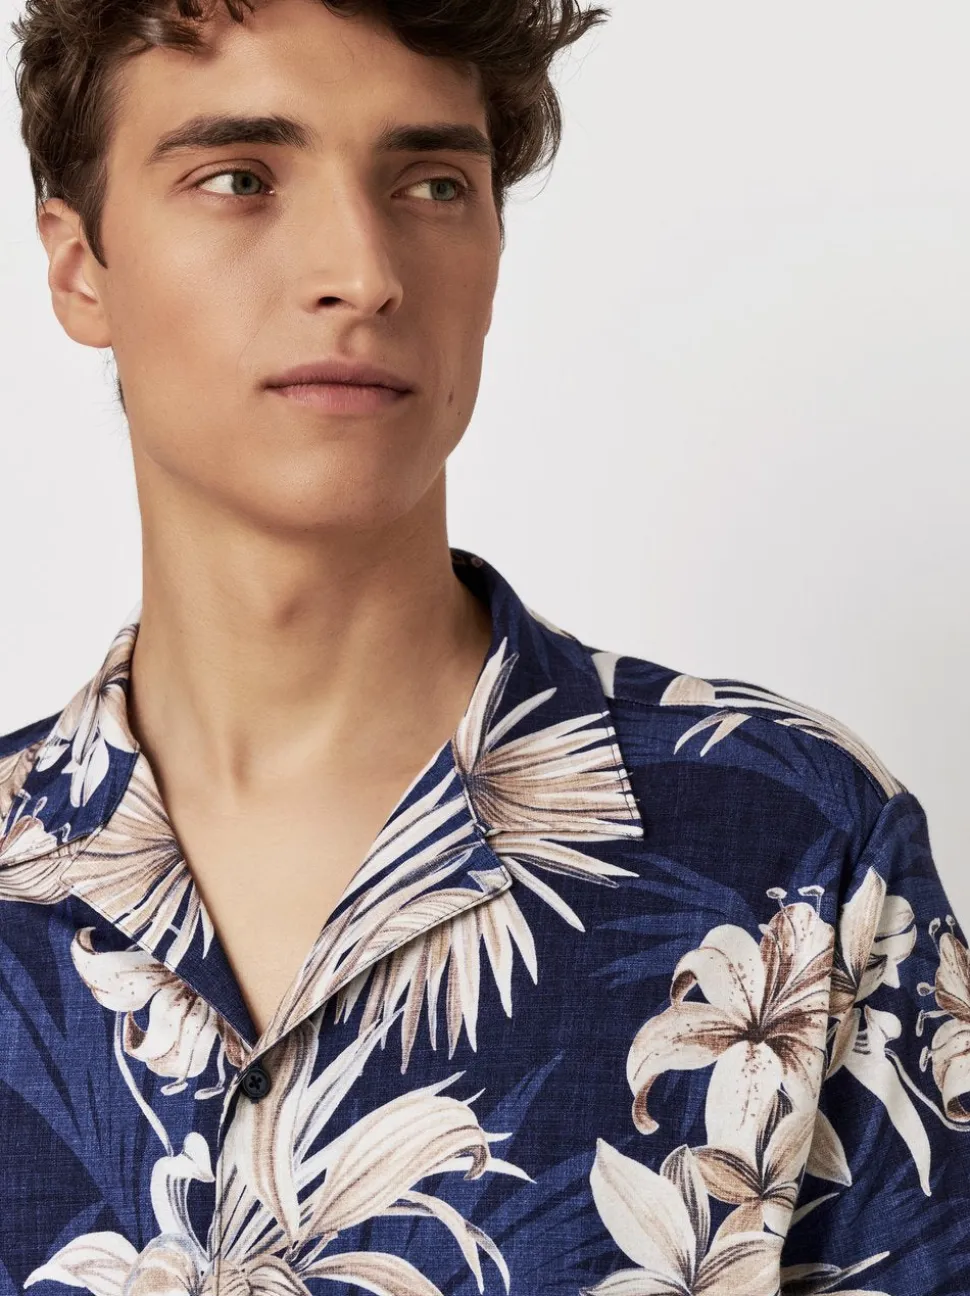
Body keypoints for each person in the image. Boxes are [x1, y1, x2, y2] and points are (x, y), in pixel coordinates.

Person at [1, 0, 968, 1291]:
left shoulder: (795, 849)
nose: (362, 270)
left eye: (431, 185)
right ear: (81, 268)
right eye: (240, 179)